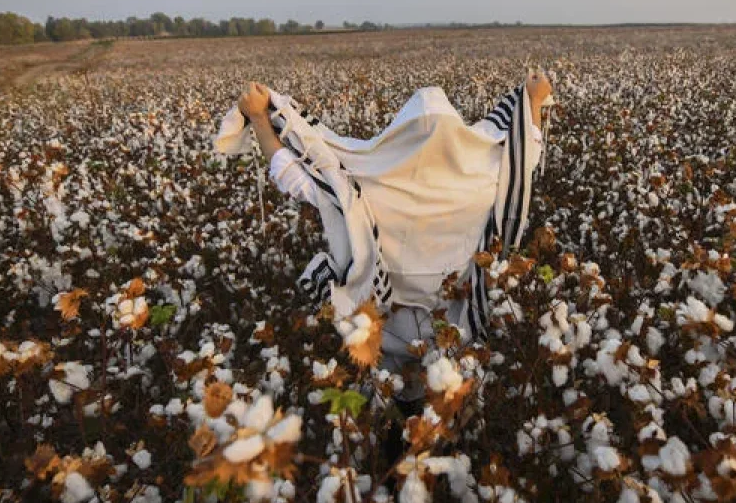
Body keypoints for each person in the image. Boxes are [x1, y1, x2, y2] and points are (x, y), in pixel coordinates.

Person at [219, 72, 553, 423]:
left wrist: (259, 118)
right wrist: (531, 100)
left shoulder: (368, 180)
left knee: (380, 410)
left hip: (383, 328)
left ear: (398, 132)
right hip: (454, 326)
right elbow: (526, 155)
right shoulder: (484, 176)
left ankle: (384, 451)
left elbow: (296, 178)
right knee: (447, 414)